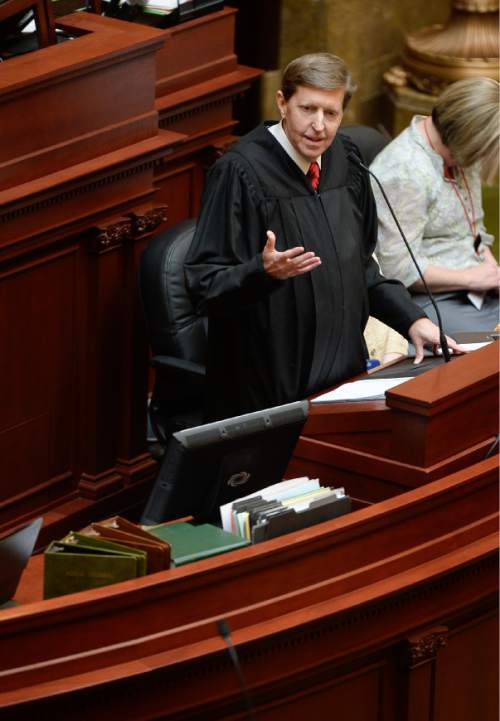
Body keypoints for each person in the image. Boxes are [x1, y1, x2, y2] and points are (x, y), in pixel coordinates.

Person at [184, 52, 461, 421]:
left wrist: (413, 320)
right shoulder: (239, 173)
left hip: (344, 374)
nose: (319, 126)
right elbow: (204, 284)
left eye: (331, 113)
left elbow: (360, 267)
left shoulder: (345, 161)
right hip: (270, 387)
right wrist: (261, 272)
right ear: (282, 103)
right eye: (307, 109)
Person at [371, 77, 499, 335]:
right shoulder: (406, 173)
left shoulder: (458, 152)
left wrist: (493, 272)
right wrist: (472, 278)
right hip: (428, 298)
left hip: (476, 283)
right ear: (466, 137)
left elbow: (473, 230)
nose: (483, 159)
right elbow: (397, 268)